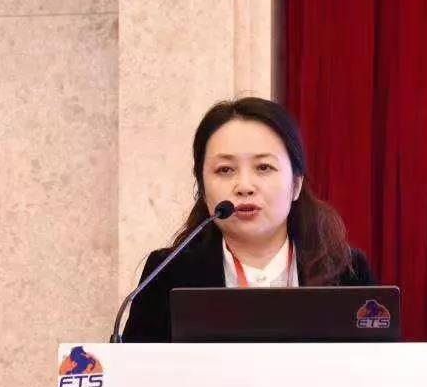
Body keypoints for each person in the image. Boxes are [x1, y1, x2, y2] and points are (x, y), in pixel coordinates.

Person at [123, 97, 375, 343]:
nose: (244, 186)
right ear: (203, 188)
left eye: (264, 167)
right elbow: (133, 368)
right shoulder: (167, 274)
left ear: (296, 184)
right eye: (225, 169)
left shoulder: (346, 271)